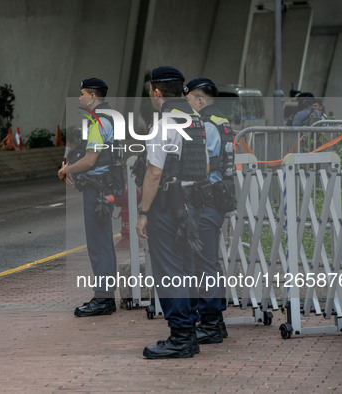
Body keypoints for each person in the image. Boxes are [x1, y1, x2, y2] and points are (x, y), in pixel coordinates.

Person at [135, 66, 207, 359]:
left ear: (156, 92)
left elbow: (154, 172)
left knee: (170, 274)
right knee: (187, 271)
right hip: (192, 207)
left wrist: (143, 213)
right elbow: (204, 167)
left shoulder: (165, 123)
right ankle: (189, 335)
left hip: (168, 208)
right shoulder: (195, 120)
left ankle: (179, 338)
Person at [58, 78, 118, 317]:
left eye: (82, 94)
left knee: (98, 244)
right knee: (103, 243)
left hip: (98, 190)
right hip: (104, 187)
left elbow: (91, 160)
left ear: (92, 96)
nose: (80, 98)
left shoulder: (99, 121)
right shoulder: (108, 117)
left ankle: (103, 299)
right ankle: (106, 297)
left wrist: (65, 170)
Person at [184, 77, 234, 344]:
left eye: (189, 99)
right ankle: (216, 321)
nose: (186, 103)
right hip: (216, 198)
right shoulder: (221, 121)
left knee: (204, 264)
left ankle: (211, 323)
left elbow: (202, 166)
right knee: (208, 262)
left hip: (205, 200)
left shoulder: (203, 124)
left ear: (199, 100)